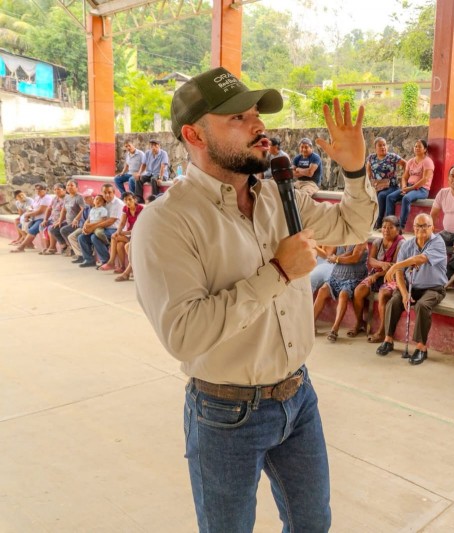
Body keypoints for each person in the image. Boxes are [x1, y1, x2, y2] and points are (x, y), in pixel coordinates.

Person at [131, 67, 376, 533]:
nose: (259, 126)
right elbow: (185, 335)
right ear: (193, 135)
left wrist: (354, 170)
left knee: (312, 523)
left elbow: (353, 226)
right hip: (225, 413)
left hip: (299, 397)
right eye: (238, 118)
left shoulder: (280, 196)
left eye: (256, 115)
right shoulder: (166, 222)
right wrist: (278, 272)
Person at [377, 213, 447, 364]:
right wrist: (404, 294)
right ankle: (388, 339)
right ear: (413, 228)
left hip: (433, 288)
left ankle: (421, 347)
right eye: (417, 226)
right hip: (411, 286)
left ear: (432, 228)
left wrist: (395, 265)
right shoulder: (407, 245)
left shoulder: (438, 242)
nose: (421, 229)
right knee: (394, 301)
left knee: (422, 305)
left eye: (425, 226)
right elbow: (400, 273)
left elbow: (421, 258)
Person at [352, 215, 404, 342]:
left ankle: (382, 331)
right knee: (358, 291)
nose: (386, 230)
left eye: (390, 227)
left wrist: (377, 274)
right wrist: (381, 264)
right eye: (384, 227)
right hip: (377, 273)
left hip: (393, 276)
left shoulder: (401, 244)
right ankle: (359, 322)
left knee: (383, 294)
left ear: (397, 229)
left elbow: (394, 266)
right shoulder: (377, 242)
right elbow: (371, 260)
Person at [312, 243, 369, 342]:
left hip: (353, 277)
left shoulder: (360, 241)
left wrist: (337, 259)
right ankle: (311, 325)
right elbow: (328, 255)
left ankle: (334, 329)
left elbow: (354, 258)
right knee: (322, 291)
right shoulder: (340, 241)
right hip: (336, 276)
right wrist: (315, 247)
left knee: (343, 295)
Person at [384, 139, 434, 229]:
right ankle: (390, 224)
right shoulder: (411, 161)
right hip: (409, 187)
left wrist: (410, 189)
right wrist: (404, 187)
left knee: (406, 198)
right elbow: (404, 177)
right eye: (415, 146)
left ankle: (401, 227)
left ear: (425, 149)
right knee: (390, 197)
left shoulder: (428, 161)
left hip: (422, 189)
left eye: (419, 146)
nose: (417, 148)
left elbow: (425, 179)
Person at [77, 184, 124, 268]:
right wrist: (85, 226)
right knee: (82, 237)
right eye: (105, 192)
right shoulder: (103, 202)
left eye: (109, 192)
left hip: (115, 229)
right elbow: (91, 216)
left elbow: (110, 221)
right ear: (102, 193)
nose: (107, 195)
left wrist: (92, 227)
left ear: (114, 192)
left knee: (95, 237)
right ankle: (89, 260)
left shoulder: (118, 203)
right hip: (102, 228)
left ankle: (106, 261)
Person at [99, 192, 143, 272]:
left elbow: (140, 227)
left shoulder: (140, 209)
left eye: (130, 199)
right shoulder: (125, 208)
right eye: (125, 200)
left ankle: (111, 262)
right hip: (129, 234)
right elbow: (122, 223)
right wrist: (118, 232)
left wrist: (125, 233)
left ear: (134, 199)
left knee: (114, 236)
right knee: (119, 244)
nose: (128, 202)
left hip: (139, 234)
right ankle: (122, 267)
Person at [367, 137, 405, 229]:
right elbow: (368, 173)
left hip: (392, 186)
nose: (383, 147)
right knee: (375, 196)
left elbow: (405, 164)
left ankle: (381, 222)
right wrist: (367, 186)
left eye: (384, 145)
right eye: (380, 145)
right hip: (377, 187)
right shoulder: (371, 158)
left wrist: (405, 177)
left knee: (381, 196)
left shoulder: (392, 157)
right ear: (375, 147)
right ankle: (377, 222)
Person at [11, 183, 53, 253]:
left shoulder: (46, 198)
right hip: (34, 218)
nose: (38, 191)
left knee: (32, 230)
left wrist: (28, 214)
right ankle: (29, 244)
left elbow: (41, 211)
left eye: (40, 190)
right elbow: (32, 207)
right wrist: (28, 215)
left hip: (43, 219)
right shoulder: (37, 197)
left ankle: (21, 247)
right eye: (36, 190)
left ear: (45, 190)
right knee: (20, 226)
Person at [58, 180, 87, 257]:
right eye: (68, 185)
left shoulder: (79, 197)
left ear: (77, 187)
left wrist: (76, 219)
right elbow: (64, 210)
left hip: (78, 223)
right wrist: (60, 220)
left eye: (72, 185)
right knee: (55, 229)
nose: (69, 187)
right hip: (68, 221)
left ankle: (74, 249)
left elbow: (83, 209)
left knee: (63, 230)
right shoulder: (67, 197)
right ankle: (69, 247)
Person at [39, 182, 66, 255]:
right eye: (55, 189)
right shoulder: (55, 198)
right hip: (52, 219)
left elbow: (65, 213)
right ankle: (47, 246)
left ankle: (52, 247)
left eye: (58, 189)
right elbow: (49, 209)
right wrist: (45, 219)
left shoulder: (66, 199)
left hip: (62, 220)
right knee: (42, 225)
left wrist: (59, 221)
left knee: (51, 227)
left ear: (64, 190)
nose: (56, 191)